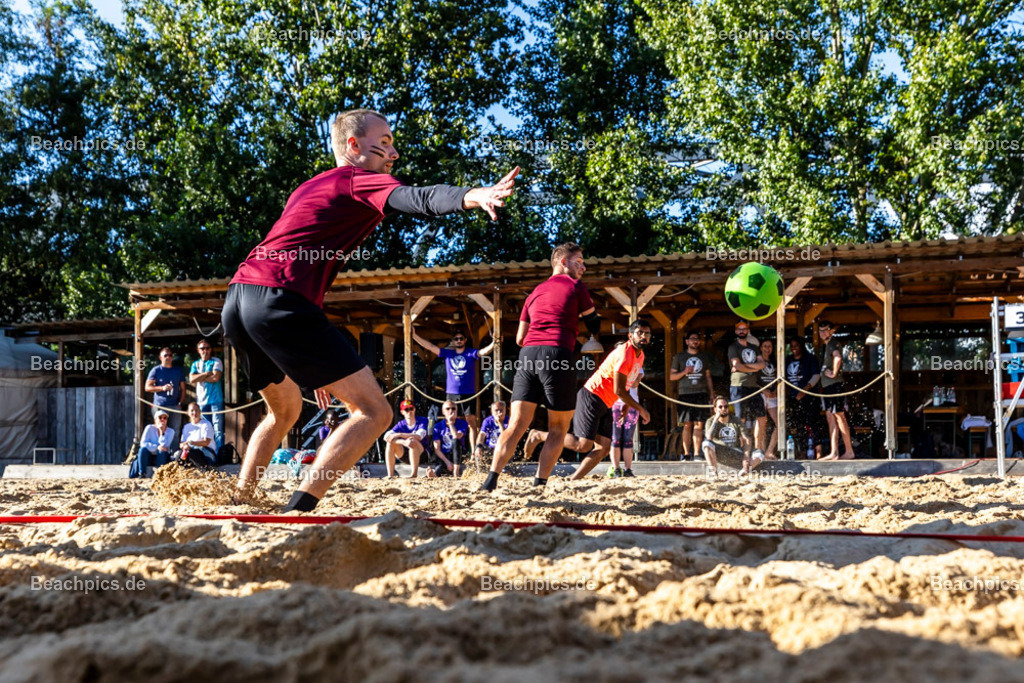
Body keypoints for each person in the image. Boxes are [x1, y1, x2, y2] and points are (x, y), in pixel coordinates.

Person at [221, 108, 518, 511]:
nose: (393, 153)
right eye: (386, 142)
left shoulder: (309, 187)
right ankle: (300, 507)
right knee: (375, 411)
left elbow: (298, 253)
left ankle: (241, 497)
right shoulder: (357, 180)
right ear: (353, 146)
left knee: (284, 409)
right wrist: (472, 195)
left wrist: (316, 364)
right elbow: (420, 197)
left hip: (240, 298)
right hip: (278, 300)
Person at [481, 243, 601, 491]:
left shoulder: (534, 293)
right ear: (563, 262)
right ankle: (539, 483)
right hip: (557, 353)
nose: (584, 266)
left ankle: (491, 480)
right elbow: (594, 324)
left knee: (515, 425)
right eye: (579, 261)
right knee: (558, 427)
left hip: (528, 355)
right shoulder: (577, 286)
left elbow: (519, 338)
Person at [524, 319, 651, 481]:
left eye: (647, 333)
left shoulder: (640, 356)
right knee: (582, 445)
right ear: (630, 335)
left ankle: (573, 479)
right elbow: (618, 389)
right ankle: (538, 435)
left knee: (604, 446)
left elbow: (625, 385)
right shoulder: (624, 352)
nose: (643, 336)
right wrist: (641, 409)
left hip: (608, 402)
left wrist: (626, 405)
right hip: (592, 396)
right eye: (640, 333)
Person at [411, 327, 496, 447]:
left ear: (465, 340)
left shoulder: (470, 353)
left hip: (468, 392)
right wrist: (414, 336)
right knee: (450, 421)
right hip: (451, 393)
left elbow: (483, 352)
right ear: (453, 341)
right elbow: (430, 347)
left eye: (461, 338)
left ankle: (474, 453)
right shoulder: (448, 353)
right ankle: (448, 450)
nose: (459, 340)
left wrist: (494, 343)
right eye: (456, 339)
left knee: (471, 422)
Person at [670, 330, 714, 461]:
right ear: (687, 341)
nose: (695, 341)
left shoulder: (704, 357)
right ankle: (686, 453)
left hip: (701, 393)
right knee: (687, 424)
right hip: (685, 394)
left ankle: (696, 454)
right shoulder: (679, 357)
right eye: (693, 339)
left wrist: (712, 393)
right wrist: (684, 371)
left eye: (697, 339)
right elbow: (672, 376)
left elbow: (708, 376)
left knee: (699, 424)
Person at [817, 320, 855, 460]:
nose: (823, 333)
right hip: (827, 386)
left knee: (839, 416)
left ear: (832, 330)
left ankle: (849, 451)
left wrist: (833, 372)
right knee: (830, 417)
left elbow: (837, 357)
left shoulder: (833, 343)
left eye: (826, 330)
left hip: (834, 385)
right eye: (821, 330)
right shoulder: (826, 345)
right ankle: (834, 452)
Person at [702, 394, 758, 476]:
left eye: (725, 406)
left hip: (735, 451)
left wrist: (746, 457)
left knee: (759, 453)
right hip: (719, 453)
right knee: (706, 443)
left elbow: (746, 439)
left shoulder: (736, 420)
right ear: (715, 409)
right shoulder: (710, 421)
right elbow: (709, 437)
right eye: (720, 407)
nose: (723, 409)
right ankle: (714, 473)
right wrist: (716, 420)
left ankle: (744, 471)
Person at [785, 336, 822, 458]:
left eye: (796, 345)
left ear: (801, 346)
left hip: (809, 396)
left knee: (813, 423)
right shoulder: (787, 359)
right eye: (792, 345)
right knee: (799, 425)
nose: (793, 348)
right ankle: (801, 451)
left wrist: (805, 389)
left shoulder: (810, 358)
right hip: (794, 398)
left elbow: (816, 375)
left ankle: (818, 452)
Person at [189, 339, 225, 450]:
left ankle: (218, 455)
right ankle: (208, 454)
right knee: (206, 429)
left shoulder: (216, 361)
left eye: (207, 348)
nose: (205, 351)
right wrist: (206, 373)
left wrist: (199, 376)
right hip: (201, 402)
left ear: (210, 349)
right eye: (202, 348)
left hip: (216, 401)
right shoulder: (195, 363)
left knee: (218, 429)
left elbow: (216, 378)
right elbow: (191, 379)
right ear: (198, 350)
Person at [144, 347, 186, 437]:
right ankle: (161, 451)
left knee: (175, 431)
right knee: (160, 430)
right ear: (160, 357)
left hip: (175, 406)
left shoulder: (178, 371)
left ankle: (174, 451)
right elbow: (147, 387)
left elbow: (183, 389)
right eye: (165, 355)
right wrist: (162, 388)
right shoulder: (156, 370)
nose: (168, 357)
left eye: (170, 355)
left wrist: (180, 403)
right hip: (160, 406)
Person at [608, 373, 643, 477]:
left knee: (628, 438)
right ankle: (616, 468)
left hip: (632, 403)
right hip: (615, 402)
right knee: (615, 438)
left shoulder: (638, 366)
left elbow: (634, 384)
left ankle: (628, 469)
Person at [383, 400, 428, 478]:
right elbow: (386, 437)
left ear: (415, 409)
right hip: (404, 453)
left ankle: (414, 474)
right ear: (402, 412)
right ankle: (390, 475)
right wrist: (403, 442)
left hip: (421, 454)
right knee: (390, 443)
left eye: (411, 409)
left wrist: (400, 434)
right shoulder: (401, 424)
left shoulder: (422, 420)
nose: (409, 412)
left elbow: (419, 436)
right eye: (406, 410)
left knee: (412, 440)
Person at [129, 410, 175, 478]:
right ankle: (142, 473)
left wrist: (162, 433)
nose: (162, 420)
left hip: (162, 457)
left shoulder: (171, 431)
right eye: (160, 417)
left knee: (162, 451)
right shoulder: (149, 428)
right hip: (149, 456)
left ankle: (159, 474)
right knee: (142, 450)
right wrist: (156, 447)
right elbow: (143, 443)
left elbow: (165, 445)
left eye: (165, 418)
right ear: (155, 420)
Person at [430, 400, 469, 477]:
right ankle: (434, 475)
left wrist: (450, 423)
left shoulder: (462, 423)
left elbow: (457, 437)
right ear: (443, 412)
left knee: (455, 441)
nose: (451, 411)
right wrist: (447, 462)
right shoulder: (438, 426)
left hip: (459, 453)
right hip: (445, 455)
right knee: (439, 468)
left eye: (453, 408)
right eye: (447, 409)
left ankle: (456, 471)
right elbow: (437, 449)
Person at [756, 338, 779, 459]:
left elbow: (777, 378)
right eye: (765, 346)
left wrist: (775, 390)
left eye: (769, 346)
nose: (767, 349)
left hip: (772, 395)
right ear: (760, 348)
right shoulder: (757, 361)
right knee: (762, 423)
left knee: (779, 423)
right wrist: (762, 390)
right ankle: (761, 451)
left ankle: (770, 451)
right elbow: (752, 379)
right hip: (760, 394)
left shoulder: (774, 361)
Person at [176, 402, 217, 466]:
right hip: (190, 451)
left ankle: (205, 469)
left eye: (196, 410)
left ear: (200, 412)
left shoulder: (206, 424)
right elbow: (182, 443)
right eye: (192, 411)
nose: (194, 413)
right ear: (188, 412)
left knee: (192, 452)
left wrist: (191, 443)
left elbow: (206, 442)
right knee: (179, 454)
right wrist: (184, 446)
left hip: (206, 453)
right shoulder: (186, 427)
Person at [473, 400, 508, 467]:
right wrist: (478, 446)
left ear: (505, 410)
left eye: (501, 410)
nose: (499, 412)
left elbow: (505, 438)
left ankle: (504, 468)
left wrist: (500, 422)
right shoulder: (487, 421)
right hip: (490, 448)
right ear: (491, 412)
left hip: (502, 448)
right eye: (496, 410)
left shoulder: (508, 420)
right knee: (479, 448)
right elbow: (481, 435)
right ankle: (481, 469)